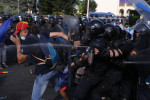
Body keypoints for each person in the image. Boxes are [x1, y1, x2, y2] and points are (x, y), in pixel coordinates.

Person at [10, 21, 68, 100]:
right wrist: (72, 43)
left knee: (35, 98)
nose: (18, 36)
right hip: (53, 67)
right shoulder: (40, 34)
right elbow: (60, 34)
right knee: (59, 89)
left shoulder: (28, 41)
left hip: (45, 72)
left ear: (24, 31)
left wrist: (18, 44)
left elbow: (20, 60)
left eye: (18, 33)